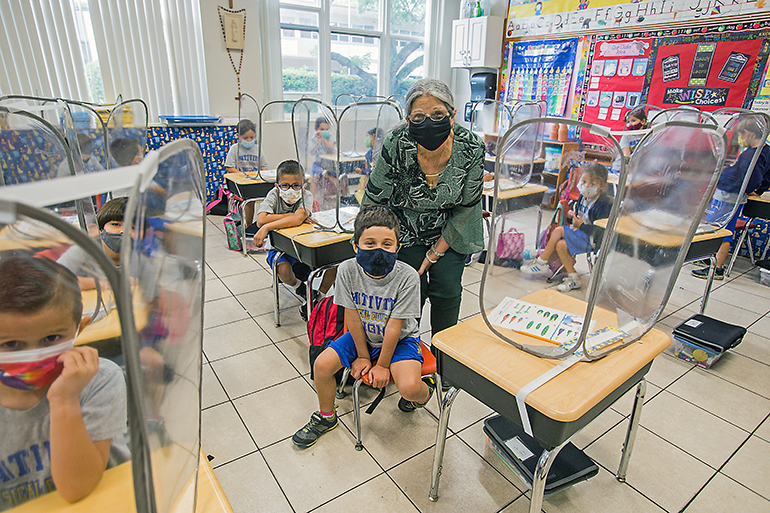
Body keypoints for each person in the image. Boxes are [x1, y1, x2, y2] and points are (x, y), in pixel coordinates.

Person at [292, 206, 434, 449]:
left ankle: (426, 393)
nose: (379, 250)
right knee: (322, 366)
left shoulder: (408, 276)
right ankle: (326, 417)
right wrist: (362, 355)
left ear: (398, 248)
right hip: (362, 336)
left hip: (399, 341)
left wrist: (382, 365)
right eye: (369, 243)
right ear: (355, 246)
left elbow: (394, 327)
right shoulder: (347, 270)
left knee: (410, 388)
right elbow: (353, 317)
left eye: (387, 244)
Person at [0, 256, 129, 509]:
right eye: (11, 344)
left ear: (79, 328)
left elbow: (77, 488)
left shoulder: (99, 380)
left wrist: (65, 400)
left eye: (51, 338)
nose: (34, 355)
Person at [363, 78, 484, 338]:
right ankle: (405, 355)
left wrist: (433, 255)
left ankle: (443, 362)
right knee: (408, 292)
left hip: (451, 229)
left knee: (447, 290)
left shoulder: (471, 147)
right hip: (402, 229)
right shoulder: (397, 143)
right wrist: (373, 245)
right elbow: (374, 198)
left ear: (452, 115)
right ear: (408, 121)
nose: (428, 121)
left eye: (438, 114)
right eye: (418, 116)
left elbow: (467, 208)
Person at [252, 160, 334, 318]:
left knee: (335, 263)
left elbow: (295, 220)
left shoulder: (306, 195)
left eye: (296, 185)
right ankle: (300, 288)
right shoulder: (274, 195)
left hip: (305, 244)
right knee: (282, 269)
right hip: (281, 246)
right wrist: (291, 216)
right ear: (277, 185)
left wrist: (268, 226)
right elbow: (261, 219)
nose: (291, 190)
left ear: (303, 185)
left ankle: (318, 298)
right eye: (285, 185)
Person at [693, 116, 770, 280]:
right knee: (716, 229)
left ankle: (716, 268)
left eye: (740, 134)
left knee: (720, 231)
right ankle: (710, 260)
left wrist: (750, 189)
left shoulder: (753, 155)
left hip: (729, 197)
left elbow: (754, 179)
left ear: (748, 133)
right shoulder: (758, 151)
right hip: (727, 195)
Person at [522, 163, 611, 292]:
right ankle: (574, 278)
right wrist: (571, 217)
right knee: (561, 245)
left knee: (559, 231)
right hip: (580, 234)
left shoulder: (603, 205)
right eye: (584, 181)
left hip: (591, 239)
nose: (586, 186)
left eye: (592, 184)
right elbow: (577, 219)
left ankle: (542, 262)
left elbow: (600, 232)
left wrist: (581, 226)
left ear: (602, 186)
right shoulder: (582, 197)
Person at [58, 197, 128, 291]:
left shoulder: (142, 252)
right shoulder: (85, 249)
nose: (122, 231)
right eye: (115, 224)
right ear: (101, 229)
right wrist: (103, 283)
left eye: (131, 226)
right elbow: (55, 276)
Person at [611, 107, 648, 174]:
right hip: (621, 168)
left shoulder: (647, 136)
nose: (630, 124)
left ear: (643, 121)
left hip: (636, 169)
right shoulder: (626, 136)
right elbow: (626, 157)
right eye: (628, 122)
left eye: (633, 121)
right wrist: (629, 173)